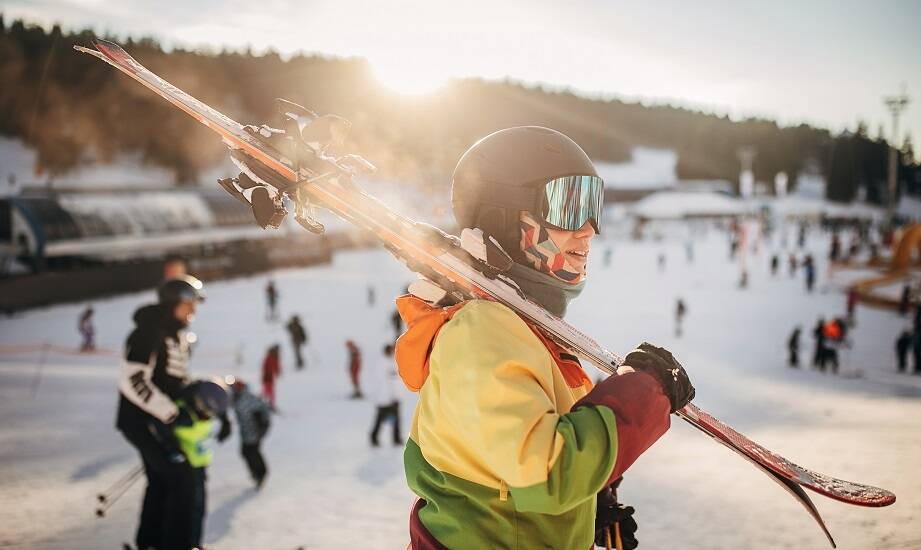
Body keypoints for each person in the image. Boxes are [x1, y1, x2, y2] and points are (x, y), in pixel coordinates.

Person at [395, 127, 694, 549]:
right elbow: (547, 474)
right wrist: (646, 393)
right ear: (505, 216)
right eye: (570, 207)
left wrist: (586, 505)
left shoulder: (522, 330)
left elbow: (518, 471)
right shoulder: (480, 333)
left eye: (593, 206)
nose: (589, 230)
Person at [116, 275, 230, 550]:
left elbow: (173, 381)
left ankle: (151, 543)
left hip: (161, 424)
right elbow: (133, 379)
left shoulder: (175, 335)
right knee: (183, 481)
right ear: (171, 302)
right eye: (188, 302)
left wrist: (203, 398)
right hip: (145, 423)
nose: (193, 309)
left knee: (162, 482)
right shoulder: (148, 333)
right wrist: (170, 413)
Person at [171, 379, 230, 550]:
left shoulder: (206, 405)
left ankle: (194, 543)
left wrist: (225, 420)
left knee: (199, 508)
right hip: (185, 467)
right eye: (208, 411)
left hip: (200, 465)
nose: (210, 415)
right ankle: (188, 544)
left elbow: (218, 402)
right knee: (189, 509)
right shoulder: (183, 412)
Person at [230, 378, 272, 487]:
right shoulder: (239, 398)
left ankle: (261, 473)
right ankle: (257, 473)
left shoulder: (246, 399)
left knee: (251, 452)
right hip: (246, 432)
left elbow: (263, 411)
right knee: (246, 452)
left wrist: (262, 427)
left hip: (253, 432)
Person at [369, 344, 403, 447]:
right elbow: (390, 383)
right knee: (385, 419)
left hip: (385, 398)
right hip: (387, 398)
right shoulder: (387, 364)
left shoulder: (385, 363)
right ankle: (378, 438)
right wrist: (395, 396)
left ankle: (378, 438)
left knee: (386, 420)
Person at [261, 344, 282, 408]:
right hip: (268, 375)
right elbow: (266, 366)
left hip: (270, 376)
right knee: (267, 390)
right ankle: (266, 403)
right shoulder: (271, 357)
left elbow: (276, 366)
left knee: (269, 390)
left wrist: (277, 372)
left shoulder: (274, 357)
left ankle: (269, 403)